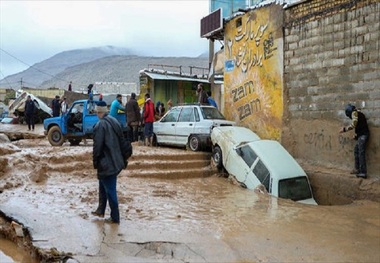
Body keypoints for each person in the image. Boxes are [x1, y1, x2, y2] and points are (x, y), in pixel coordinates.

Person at [92, 101, 124, 224]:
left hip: (106, 163)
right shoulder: (114, 121)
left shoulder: (100, 126)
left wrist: (95, 162)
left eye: (96, 112)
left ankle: (115, 217)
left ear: (99, 112)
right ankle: (100, 210)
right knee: (103, 186)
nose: (96, 114)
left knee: (110, 190)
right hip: (116, 161)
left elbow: (97, 148)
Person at [339, 104, 370, 179]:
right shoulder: (359, 114)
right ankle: (357, 169)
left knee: (360, 152)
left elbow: (354, 124)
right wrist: (356, 136)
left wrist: (344, 129)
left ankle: (363, 172)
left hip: (363, 136)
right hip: (362, 135)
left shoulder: (355, 114)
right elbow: (361, 127)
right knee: (357, 151)